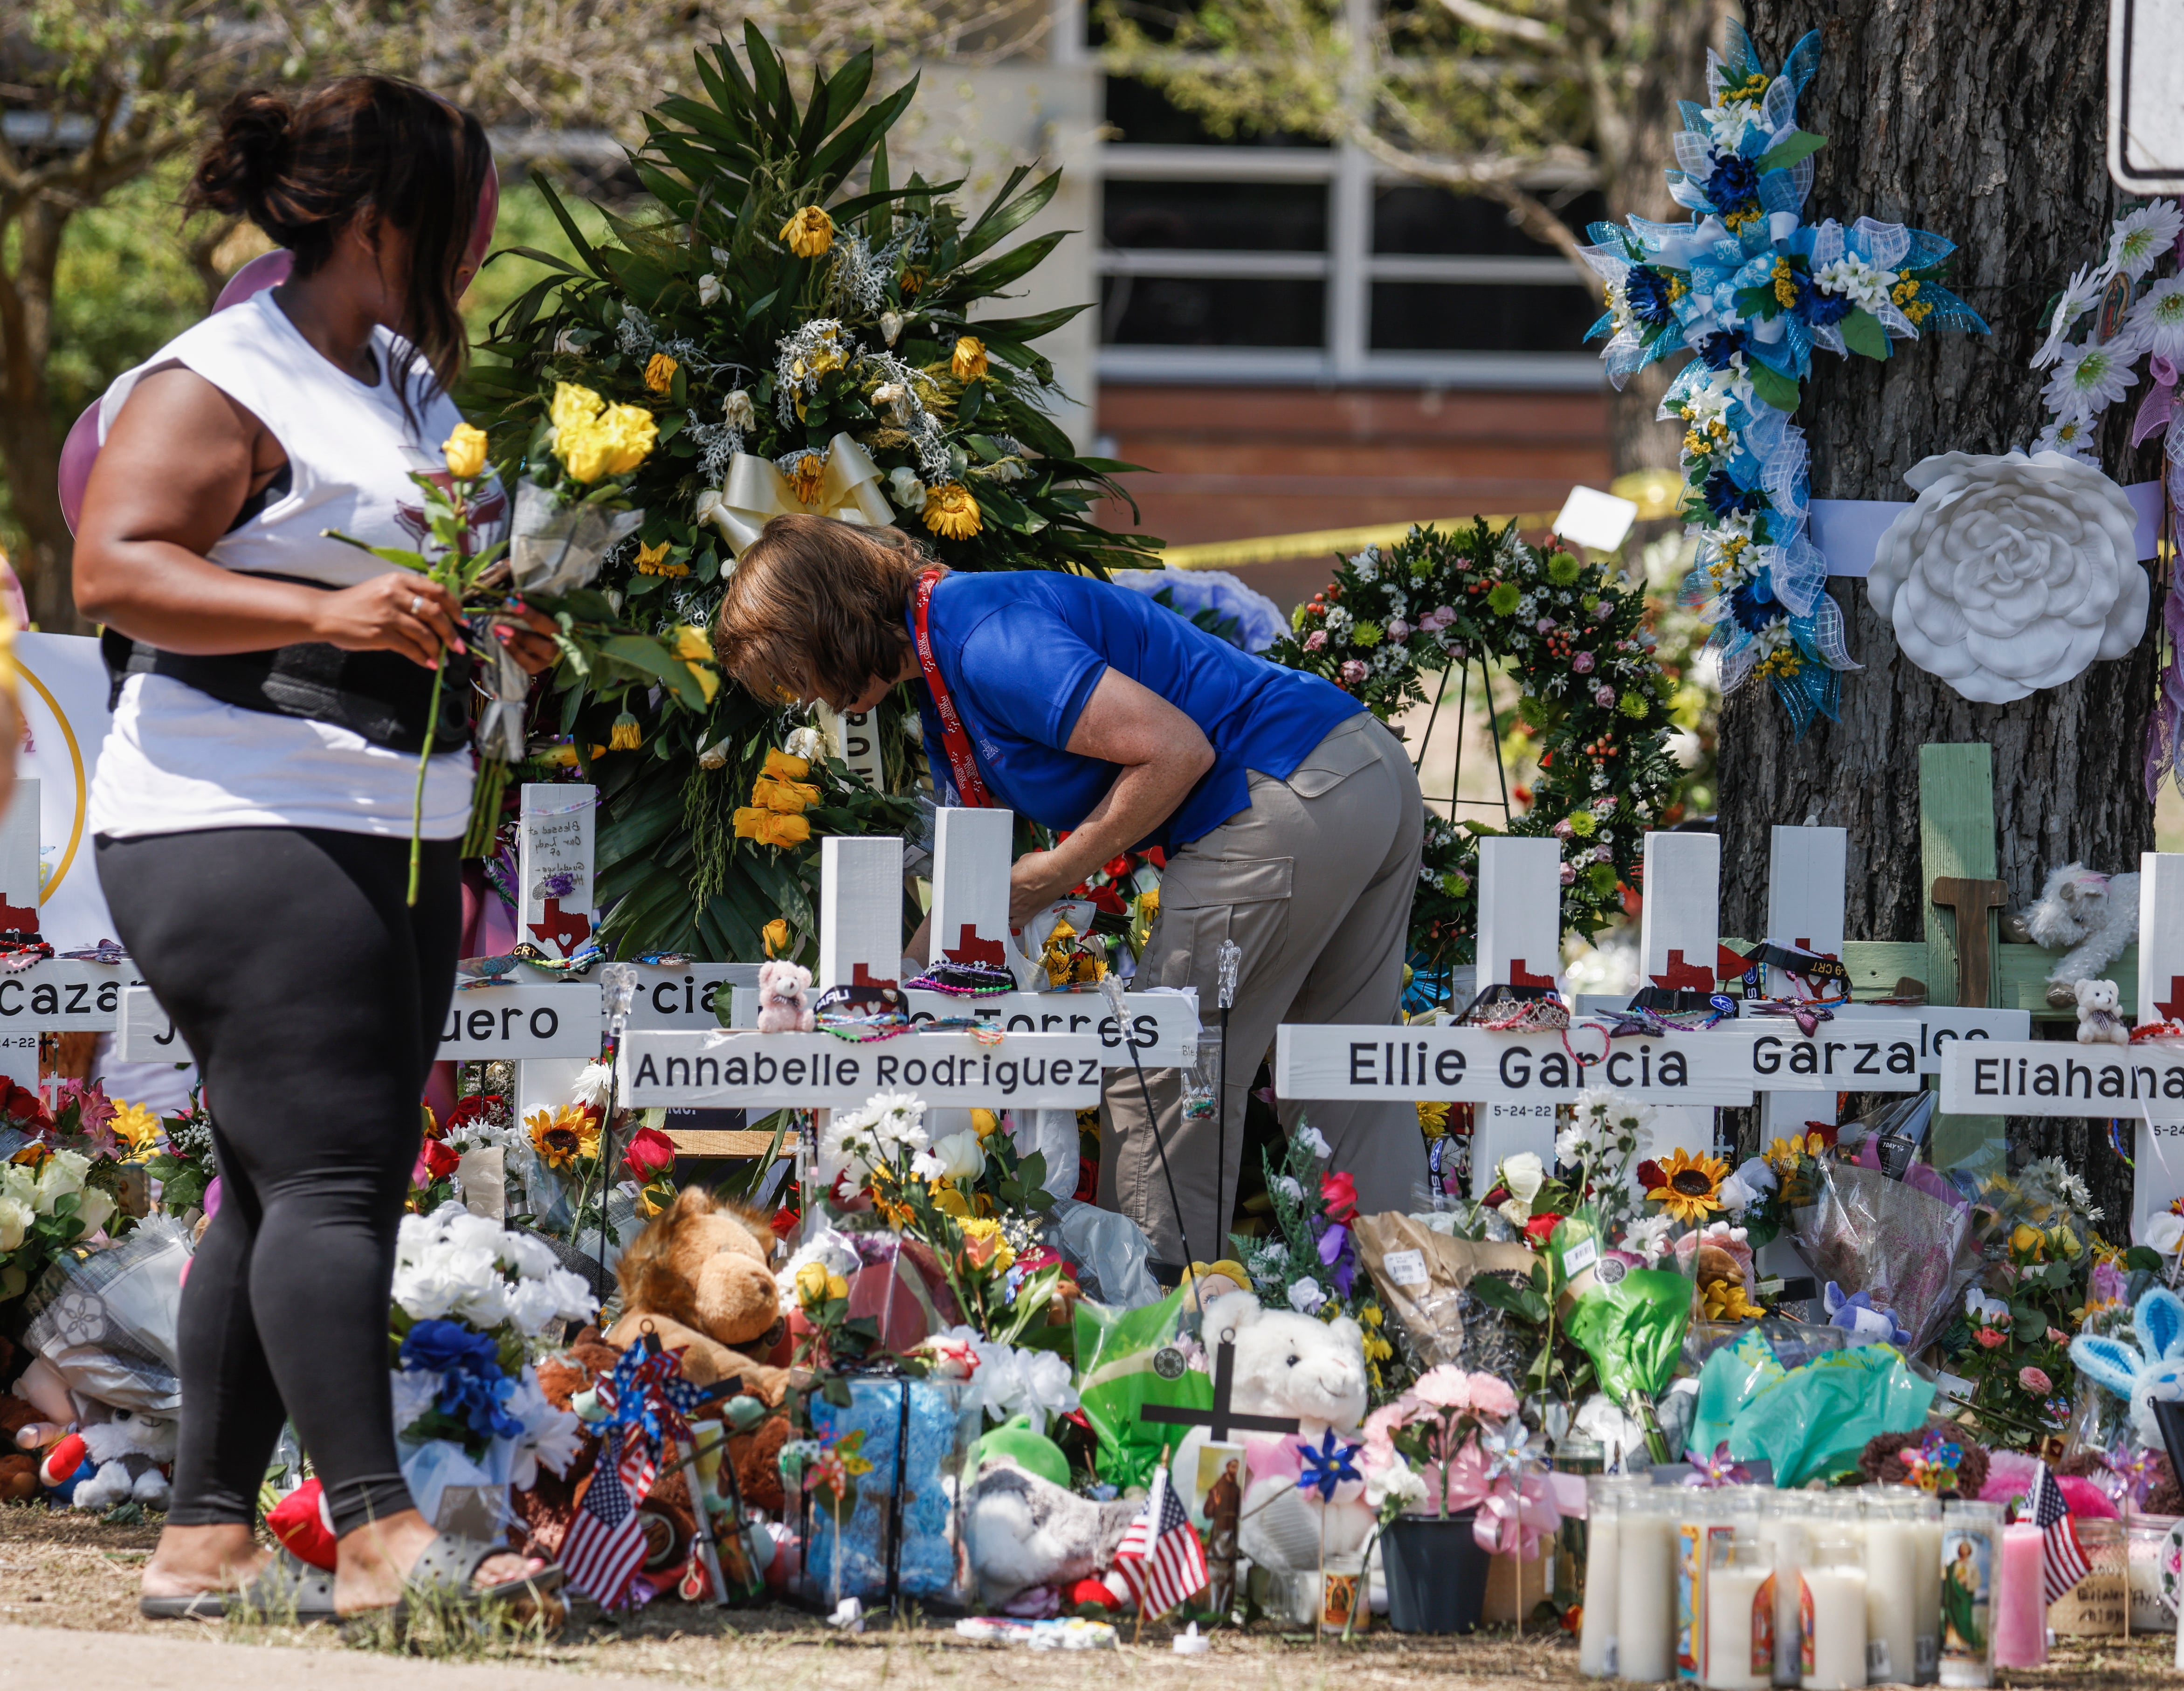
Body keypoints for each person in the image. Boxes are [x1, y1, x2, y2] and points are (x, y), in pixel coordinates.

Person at [72, 77, 564, 1622]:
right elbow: (117, 563)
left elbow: (375, 566)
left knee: (279, 1179)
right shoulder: (218, 375)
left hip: (380, 812)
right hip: (236, 813)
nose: (481, 248)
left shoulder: (399, 377)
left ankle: (203, 1532)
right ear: (379, 223)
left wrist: (482, 625)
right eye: (464, 218)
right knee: (340, 1173)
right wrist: (325, 612)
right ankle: (373, 1530)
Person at [711, 515, 1426, 1272]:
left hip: (1278, 791)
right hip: (1354, 772)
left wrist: (1056, 873)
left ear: (828, 624)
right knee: (1343, 1074)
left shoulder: (983, 634)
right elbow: (973, 890)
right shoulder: (950, 655)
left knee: (1160, 1075)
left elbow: (1175, 750)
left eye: (794, 672)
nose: (801, 697)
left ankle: (1156, 1345)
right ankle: (1422, 1328)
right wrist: (874, 998)